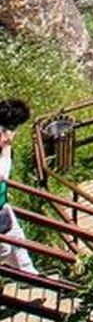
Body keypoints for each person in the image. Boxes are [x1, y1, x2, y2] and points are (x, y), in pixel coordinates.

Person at [0, 99, 37, 278]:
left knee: (18, 241)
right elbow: (2, 175)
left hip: (3, 204)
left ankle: (30, 278)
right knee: (4, 250)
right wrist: (7, 148)